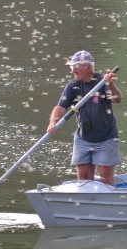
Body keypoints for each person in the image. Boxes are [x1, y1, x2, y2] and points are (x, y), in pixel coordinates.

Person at [47, 50, 122, 187]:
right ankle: (86, 205)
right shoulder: (72, 86)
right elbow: (61, 107)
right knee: (84, 179)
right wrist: (53, 122)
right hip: (83, 138)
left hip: (106, 137)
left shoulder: (102, 81)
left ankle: (109, 204)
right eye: (72, 67)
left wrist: (110, 84)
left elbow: (117, 99)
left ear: (88, 67)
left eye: (76, 67)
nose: (73, 71)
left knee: (105, 178)